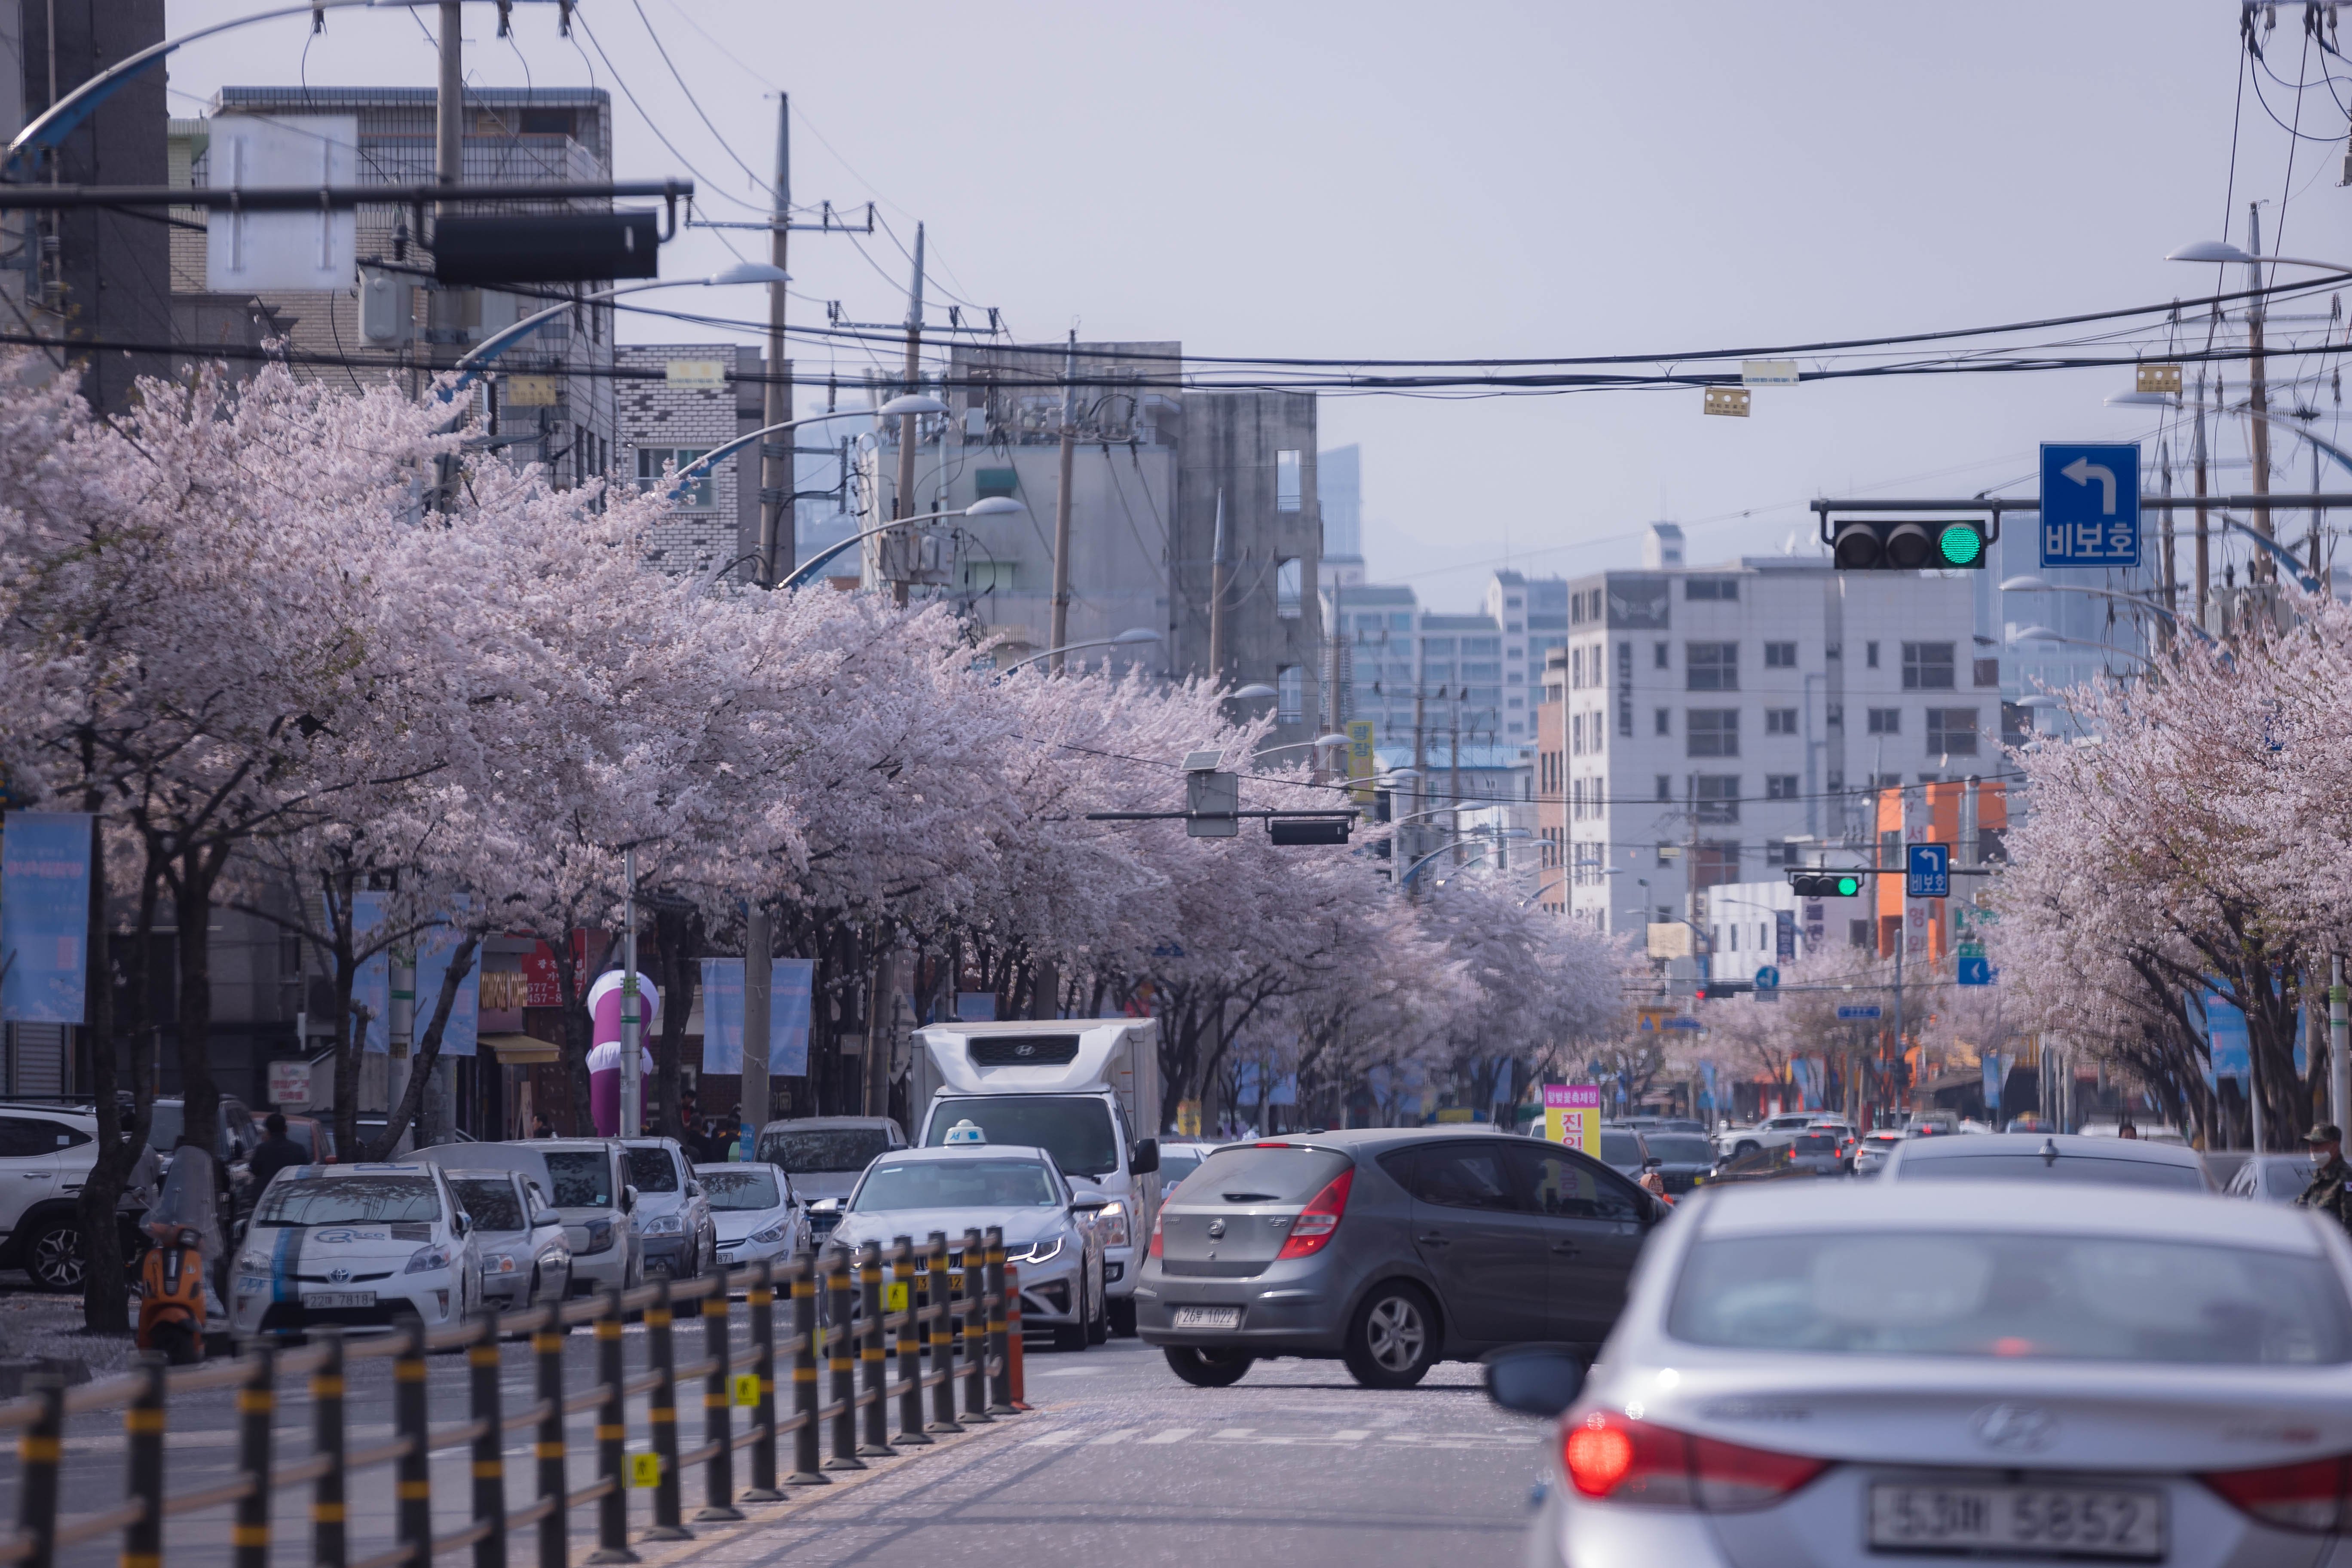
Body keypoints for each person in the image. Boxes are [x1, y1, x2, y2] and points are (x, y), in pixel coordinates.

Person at [2297, 1124, 2352, 1235]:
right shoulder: (2320, 1176)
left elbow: (2349, 1227)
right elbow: (2300, 1204)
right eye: (2311, 1144)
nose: (2312, 1149)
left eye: (2318, 1144)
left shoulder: (2346, 1178)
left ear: (2335, 1146)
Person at [246, 1112, 306, 1194]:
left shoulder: (262, 1149)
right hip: (292, 1193)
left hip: (267, 1194)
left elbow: (254, 1170)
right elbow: (305, 1172)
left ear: (268, 1131)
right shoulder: (298, 1149)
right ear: (286, 1129)